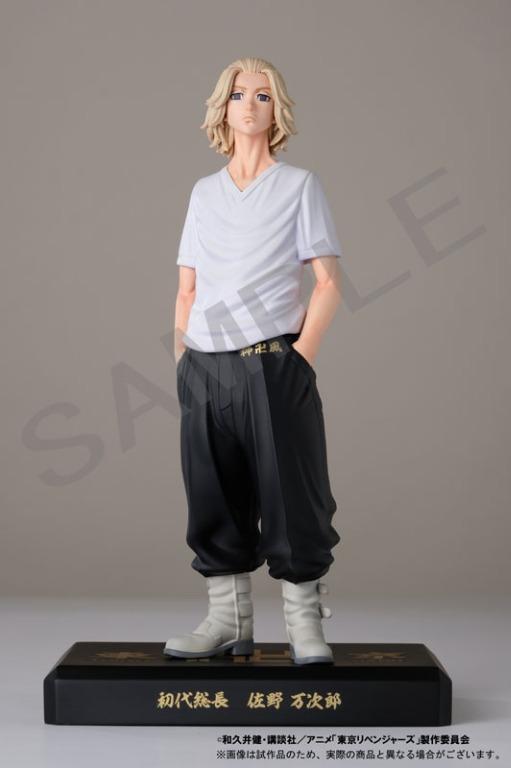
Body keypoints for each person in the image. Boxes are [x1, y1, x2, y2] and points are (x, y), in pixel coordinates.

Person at [165, 57, 343, 665]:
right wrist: (183, 361)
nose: (249, 104)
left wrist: (300, 360)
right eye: (238, 94)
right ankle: (227, 619)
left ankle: (304, 625)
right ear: (222, 107)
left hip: (271, 364)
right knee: (212, 494)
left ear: (277, 110)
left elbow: (328, 283)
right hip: (204, 369)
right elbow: (187, 286)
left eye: (262, 95)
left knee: (292, 494)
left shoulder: (299, 186)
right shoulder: (203, 193)